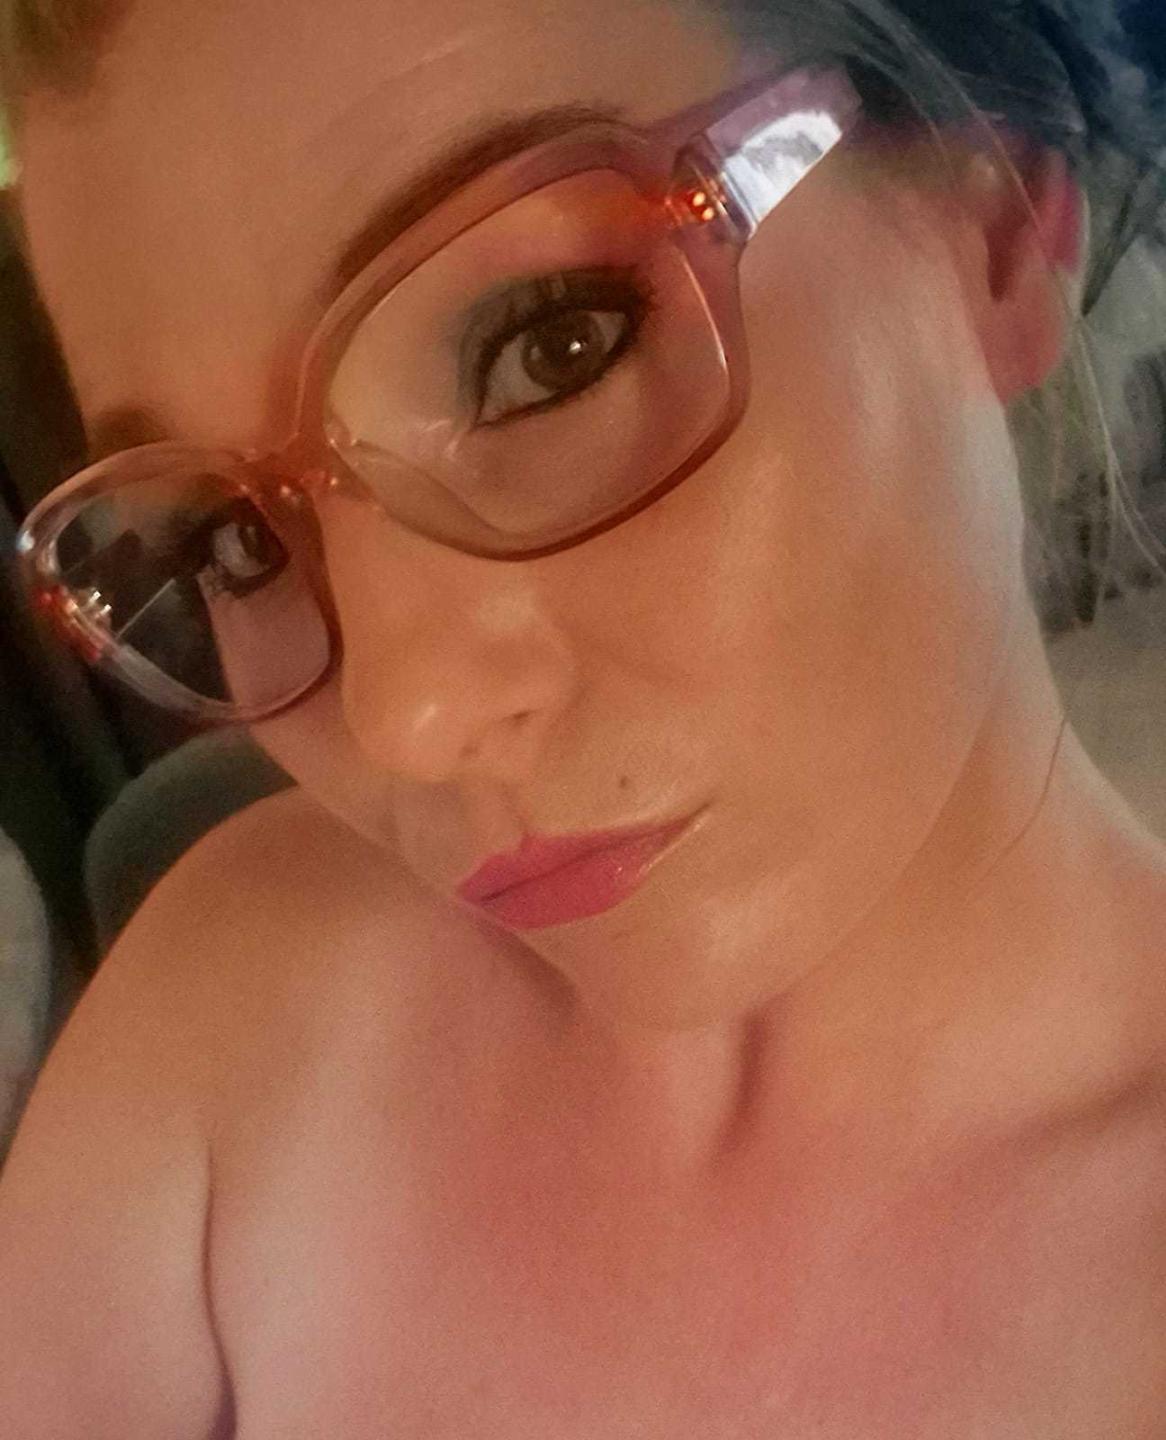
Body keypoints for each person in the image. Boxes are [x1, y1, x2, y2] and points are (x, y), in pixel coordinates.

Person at [1, 0, 1165, 1433]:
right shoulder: (229, 1004)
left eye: (549, 348)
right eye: (228, 539)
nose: (406, 715)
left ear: (993, 233)